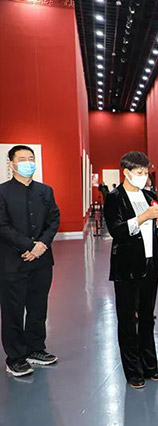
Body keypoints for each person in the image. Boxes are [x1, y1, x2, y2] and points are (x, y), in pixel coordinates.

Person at [104, 151, 158, 389]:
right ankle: (133, 371)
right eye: (139, 172)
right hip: (127, 267)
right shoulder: (114, 198)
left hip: (150, 264)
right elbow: (117, 231)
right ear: (127, 172)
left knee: (147, 317)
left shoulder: (150, 195)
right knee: (127, 319)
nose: (144, 176)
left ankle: (150, 366)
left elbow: (156, 231)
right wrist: (144, 217)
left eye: (146, 172)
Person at [0, 145, 60, 377]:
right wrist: (29, 246)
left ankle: (36, 348)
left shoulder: (45, 191)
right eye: (23, 159)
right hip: (12, 262)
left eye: (31, 158)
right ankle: (15, 357)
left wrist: (41, 245)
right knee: (13, 311)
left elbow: (54, 219)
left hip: (41, 260)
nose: (28, 162)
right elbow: (2, 226)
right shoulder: (2, 192)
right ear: (11, 164)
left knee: (38, 307)